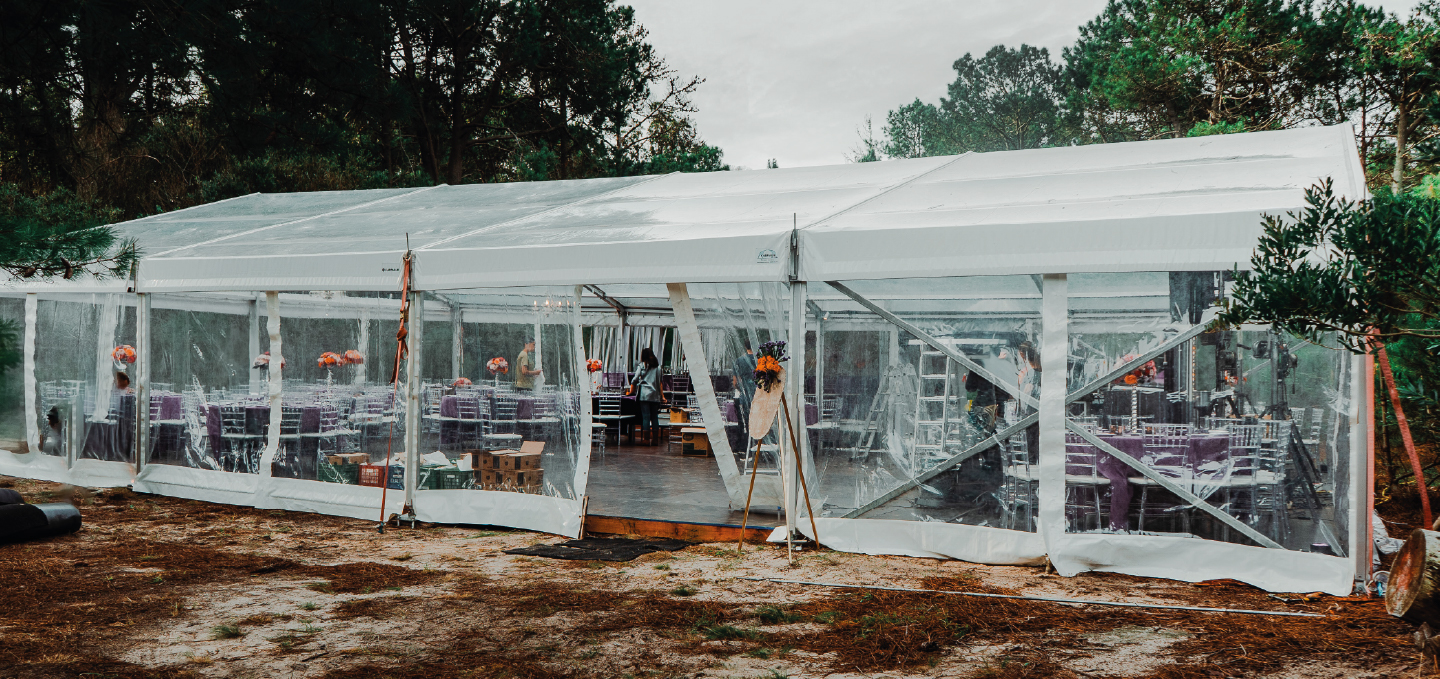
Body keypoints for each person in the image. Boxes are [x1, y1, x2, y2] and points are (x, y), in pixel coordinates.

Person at [630, 347, 665, 445]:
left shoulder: (642, 366)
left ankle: (646, 440)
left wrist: (632, 388)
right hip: (655, 395)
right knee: (654, 417)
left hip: (644, 395)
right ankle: (655, 440)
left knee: (646, 417)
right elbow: (660, 383)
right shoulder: (658, 368)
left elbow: (635, 379)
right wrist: (662, 396)